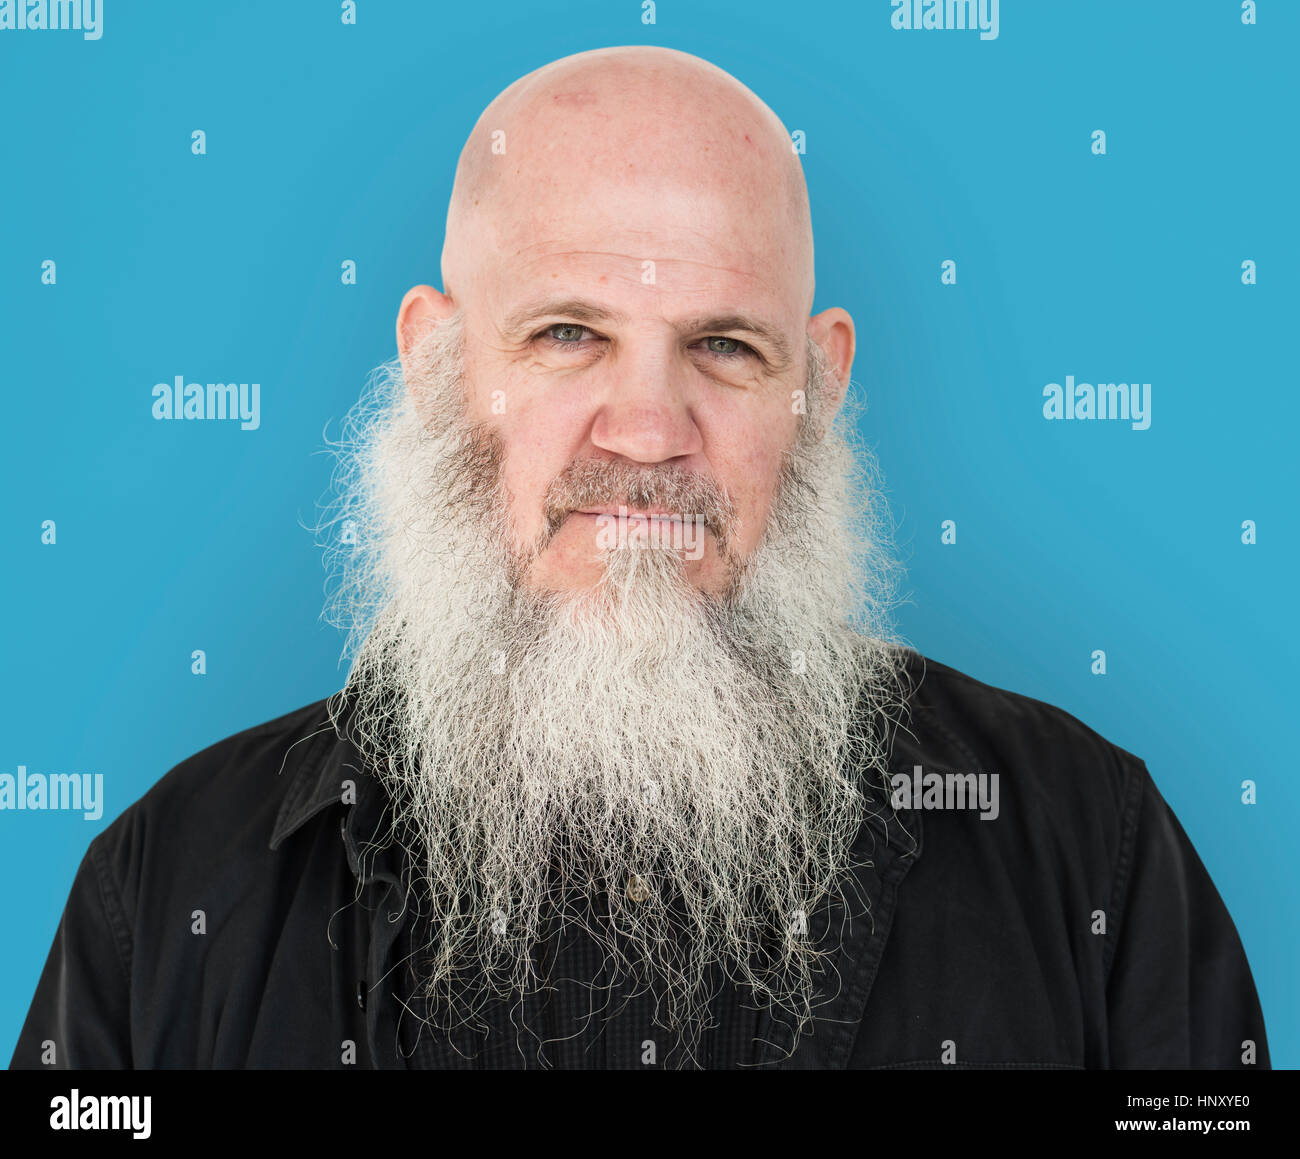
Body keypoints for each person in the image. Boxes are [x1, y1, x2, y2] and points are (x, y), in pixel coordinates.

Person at [9, 45, 1268, 1070]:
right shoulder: (168, 888)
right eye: (568, 333)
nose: (651, 431)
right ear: (440, 366)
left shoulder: (1084, 847)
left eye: (724, 345)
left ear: (817, 384)